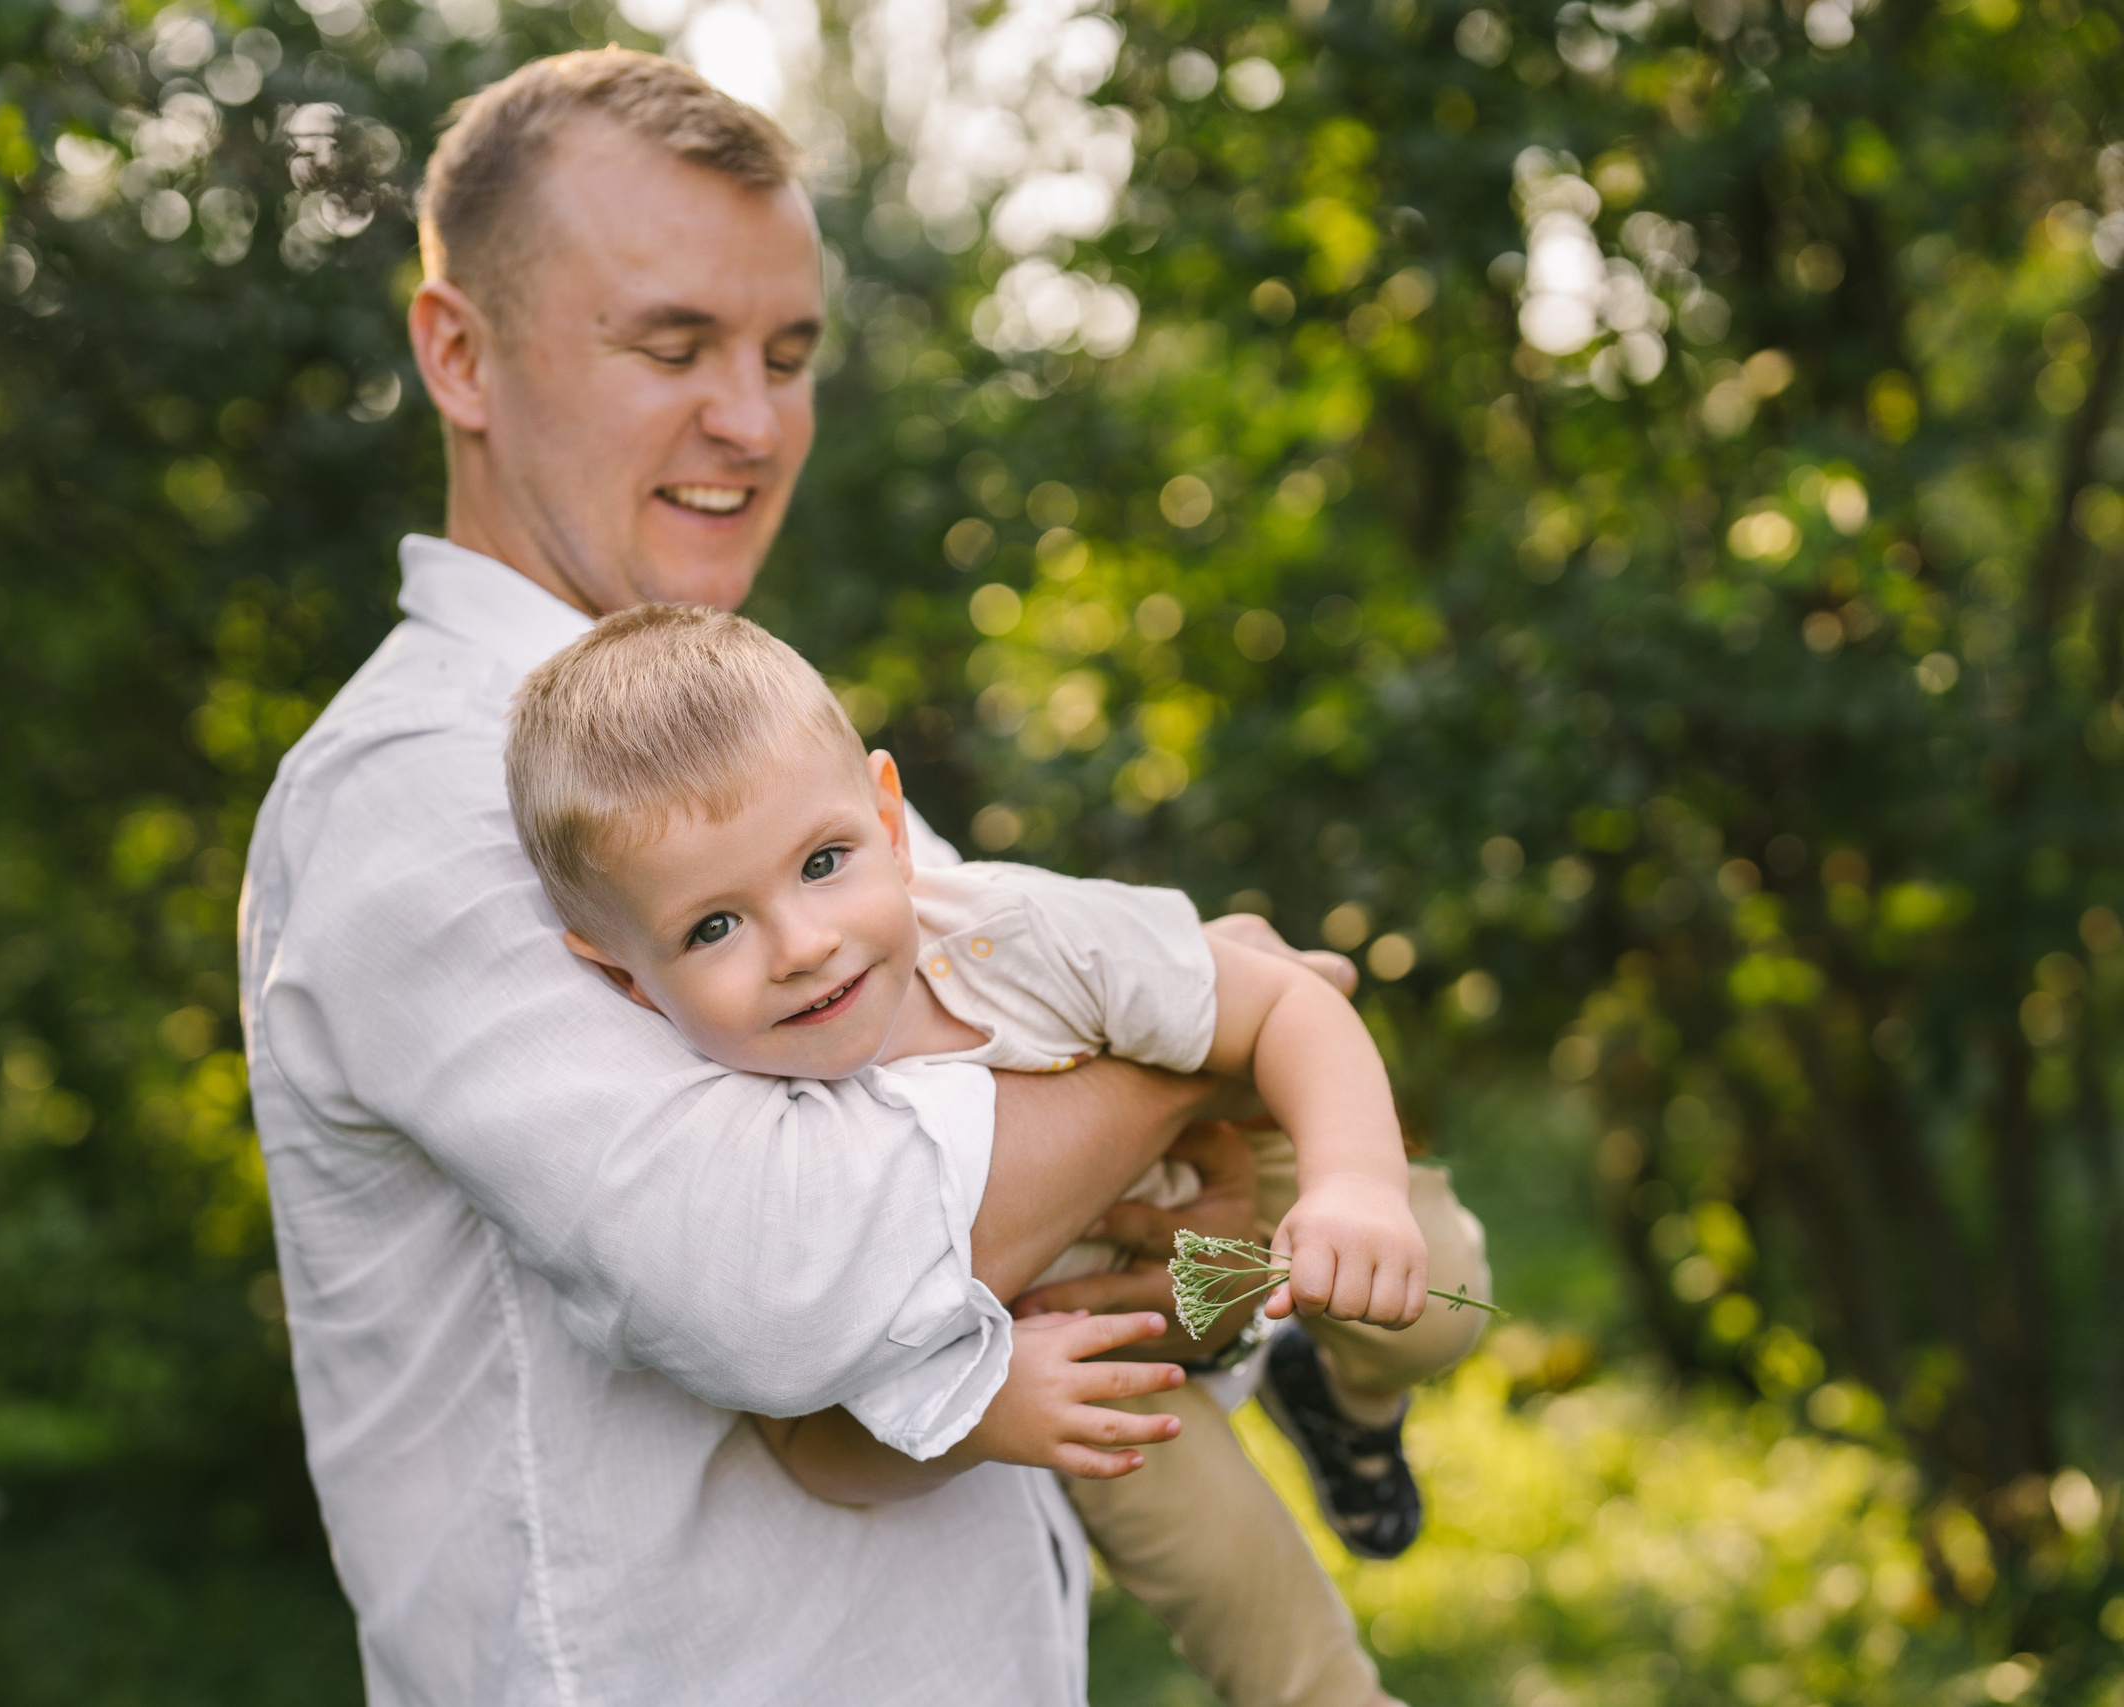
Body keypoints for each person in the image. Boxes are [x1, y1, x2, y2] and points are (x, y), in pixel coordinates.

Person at [236, 46, 1482, 1707]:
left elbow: (1030, 1189)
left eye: (790, 353)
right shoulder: (425, 793)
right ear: (460, 354)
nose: (750, 422)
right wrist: (1182, 1055)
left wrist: (1226, 1124)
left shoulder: (734, 745)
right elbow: (789, 1270)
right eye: (670, 345)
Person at [502, 603, 1496, 1703]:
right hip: (1082, 1346)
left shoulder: (1017, 936)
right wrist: (980, 1418)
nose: (802, 945)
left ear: (887, 820)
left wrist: (1352, 1183)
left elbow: (1287, 1005)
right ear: (624, 979)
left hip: (1241, 1165)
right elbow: (811, 1449)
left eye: (823, 862)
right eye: (712, 928)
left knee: (1435, 1301)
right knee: (1247, 1606)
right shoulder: (751, 1157)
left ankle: (1342, 1399)